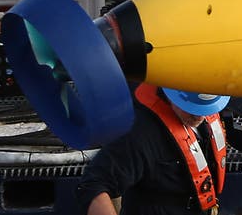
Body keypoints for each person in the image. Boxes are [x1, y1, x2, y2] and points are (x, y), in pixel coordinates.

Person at [78, 86, 231, 215]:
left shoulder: (205, 110)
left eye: (206, 109)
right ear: (171, 95)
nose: (199, 116)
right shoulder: (139, 133)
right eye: (191, 109)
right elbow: (94, 183)